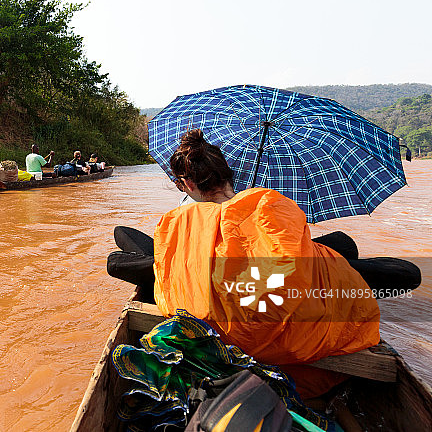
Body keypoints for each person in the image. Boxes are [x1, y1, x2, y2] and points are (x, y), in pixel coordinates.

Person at [108, 128, 421, 398]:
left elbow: (168, 276)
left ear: (188, 185)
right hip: (280, 342)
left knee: (125, 246)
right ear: (229, 174)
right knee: (345, 249)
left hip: (215, 329)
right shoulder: (267, 203)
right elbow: (289, 269)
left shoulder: (175, 222)